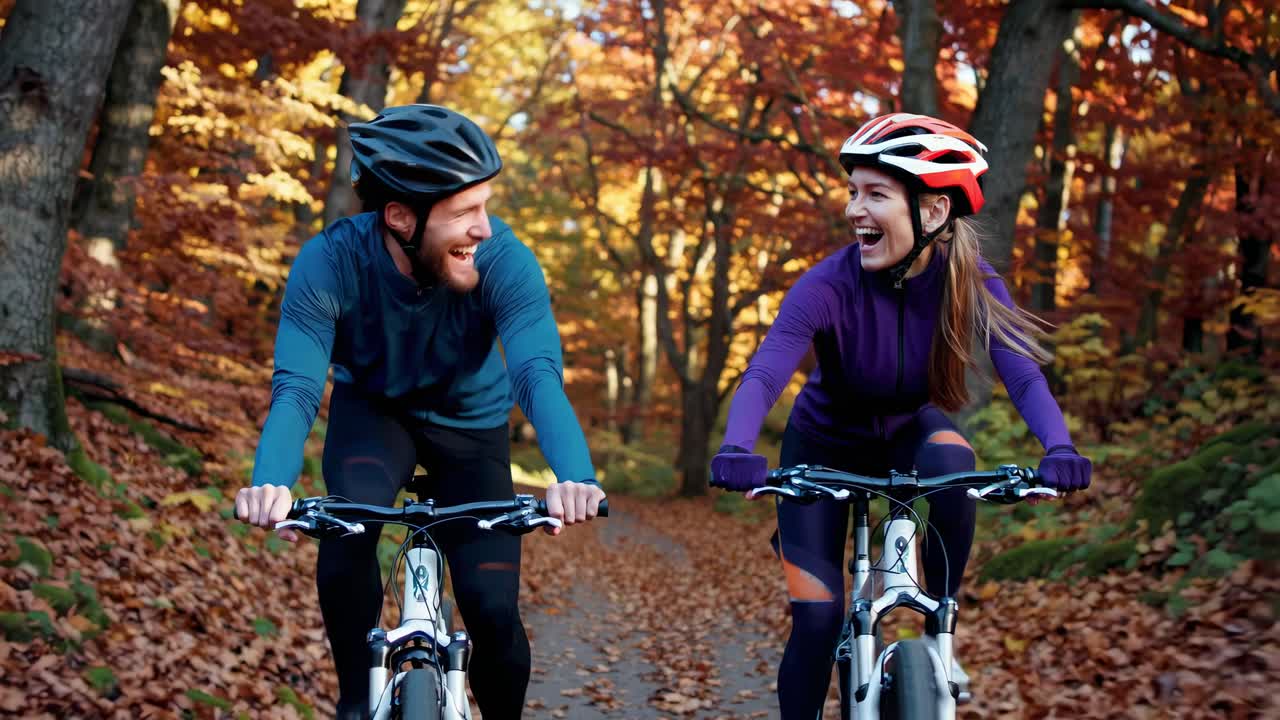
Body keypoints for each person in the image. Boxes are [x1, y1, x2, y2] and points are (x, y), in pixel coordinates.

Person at [708, 113, 1091, 718]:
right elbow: (766, 371)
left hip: (909, 432)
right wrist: (736, 447)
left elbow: (1021, 372)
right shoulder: (825, 285)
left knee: (953, 460)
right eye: (853, 192)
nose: (855, 209)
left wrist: (1059, 449)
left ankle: (940, 626)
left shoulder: (970, 281)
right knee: (817, 622)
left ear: (933, 212)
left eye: (876, 195)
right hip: (821, 446)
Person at [232, 104, 606, 720]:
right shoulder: (331, 262)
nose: (484, 228)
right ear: (401, 217)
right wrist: (270, 480)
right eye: (464, 213)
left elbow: (537, 376)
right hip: (373, 416)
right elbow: (297, 386)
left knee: (490, 609)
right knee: (347, 535)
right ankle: (357, 701)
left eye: (485, 205)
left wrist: (575, 475)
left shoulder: (504, 261)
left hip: (473, 429)